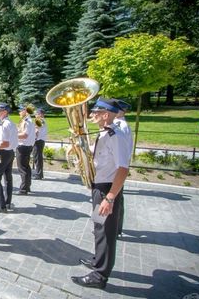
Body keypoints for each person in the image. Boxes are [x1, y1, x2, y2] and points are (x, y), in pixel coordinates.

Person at [72, 98, 129, 289]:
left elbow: (123, 169)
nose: (92, 115)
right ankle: (98, 260)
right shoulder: (105, 133)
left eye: (96, 112)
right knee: (99, 227)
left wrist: (110, 198)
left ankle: (100, 276)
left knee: (105, 232)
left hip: (107, 190)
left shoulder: (116, 136)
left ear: (106, 115)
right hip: (100, 188)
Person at [0, 103, 18, 212]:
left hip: (3, 153)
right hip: (10, 153)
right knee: (8, 178)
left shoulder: (4, 124)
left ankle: (1, 204)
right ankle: (7, 202)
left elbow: (4, 143)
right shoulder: (11, 123)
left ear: (5, 111)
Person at [114, 99, 133, 237]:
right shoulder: (116, 124)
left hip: (115, 168)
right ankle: (107, 227)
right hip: (113, 168)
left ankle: (114, 229)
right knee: (114, 199)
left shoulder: (121, 126)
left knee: (115, 199)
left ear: (122, 111)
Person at [15, 104, 36, 195]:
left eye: (20, 110)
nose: (19, 112)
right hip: (27, 146)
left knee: (22, 168)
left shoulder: (27, 121)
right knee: (26, 167)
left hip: (23, 146)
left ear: (25, 111)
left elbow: (24, 135)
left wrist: (12, 135)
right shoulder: (27, 120)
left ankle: (23, 189)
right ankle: (27, 186)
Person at [32, 108, 47, 180]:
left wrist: (33, 137)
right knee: (37, 157)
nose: (35, 115)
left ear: (41, 114)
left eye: (37, 113)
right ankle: (39, 173)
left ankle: (38, 174)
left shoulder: (40, 120)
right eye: (35, 113)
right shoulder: (41, 120)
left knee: (37, 158)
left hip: (38, 141)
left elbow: (36, 130)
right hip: (40, 141)